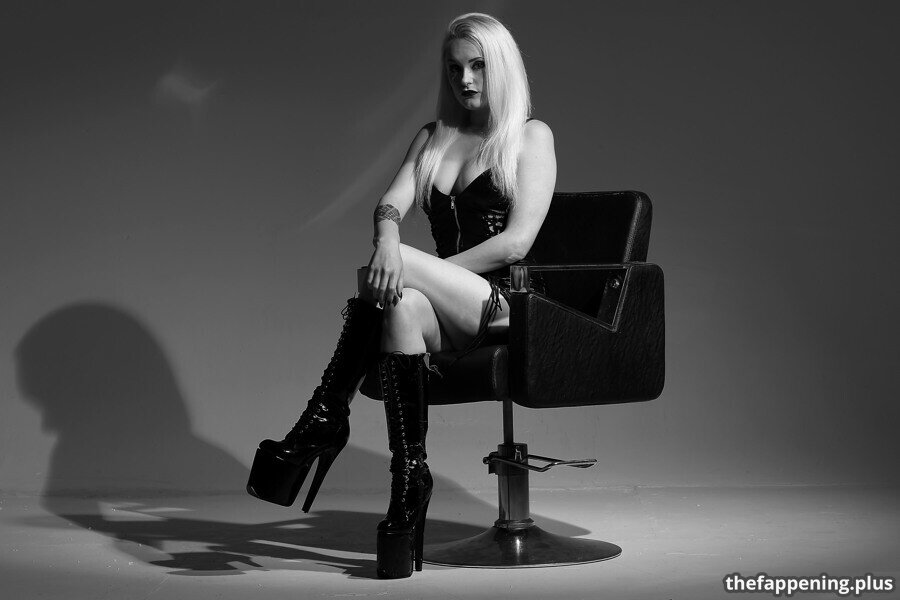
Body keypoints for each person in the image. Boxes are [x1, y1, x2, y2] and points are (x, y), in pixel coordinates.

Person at [247, 12, 556, 578]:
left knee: (395, 278)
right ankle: (410, 483)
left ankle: (323, 418)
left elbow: (517, 242)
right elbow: (389, 204)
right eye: (455, 68)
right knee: (398, 305)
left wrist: (416, 267)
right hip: (441, 309)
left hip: (506, 305)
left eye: (478, 66)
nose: (465, 79)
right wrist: (389, 240)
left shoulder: (530, 136)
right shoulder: (434, 138)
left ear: (502, 66)